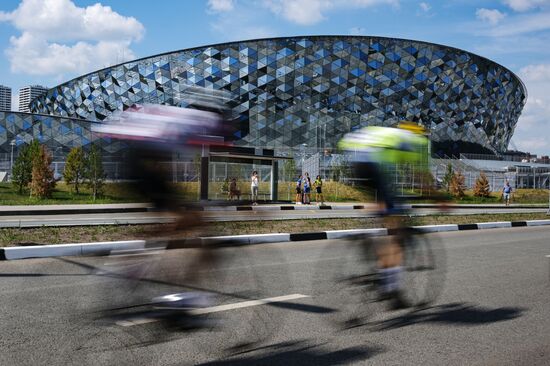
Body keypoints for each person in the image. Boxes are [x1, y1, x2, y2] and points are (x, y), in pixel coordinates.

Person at [338, 121, 430, 308]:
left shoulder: (388, 133)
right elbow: (422, 177)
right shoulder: (416, 141)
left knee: (379, 202)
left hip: (356, 161)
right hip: (375, 167)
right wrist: (441, 198)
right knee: (397, 233)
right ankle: (392, 291)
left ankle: (366, 235)